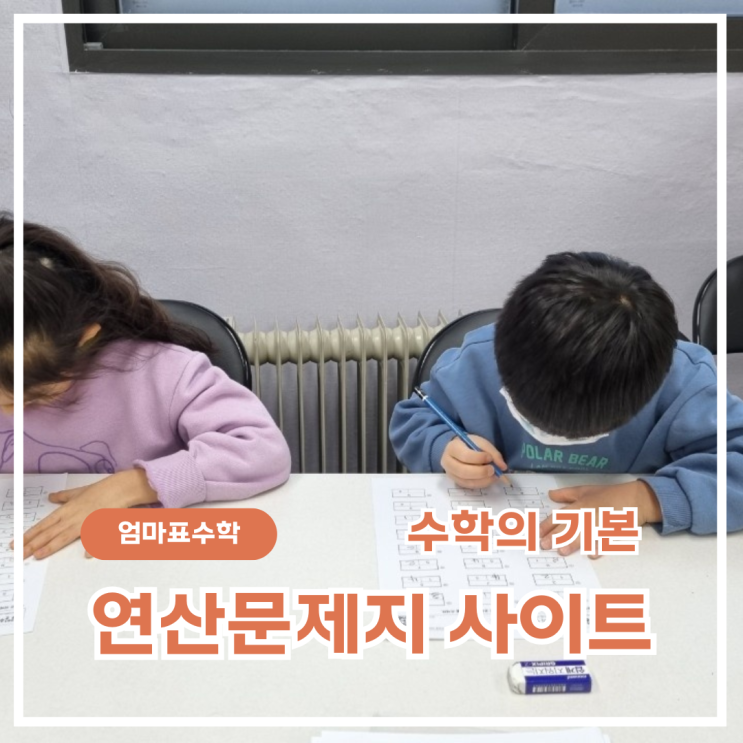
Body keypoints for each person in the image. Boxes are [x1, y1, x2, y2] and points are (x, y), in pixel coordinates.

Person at [390, 252, 742, 550]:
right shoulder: (476, 361)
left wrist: (643, 500)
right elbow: (414, 418)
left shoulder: (683, 383)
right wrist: (443, 447)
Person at [0, 214, 291, 559]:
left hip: (141, 559)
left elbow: (263, 450)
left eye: (28, 392)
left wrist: (136, 484)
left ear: (83, 338)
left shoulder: (162, 372)